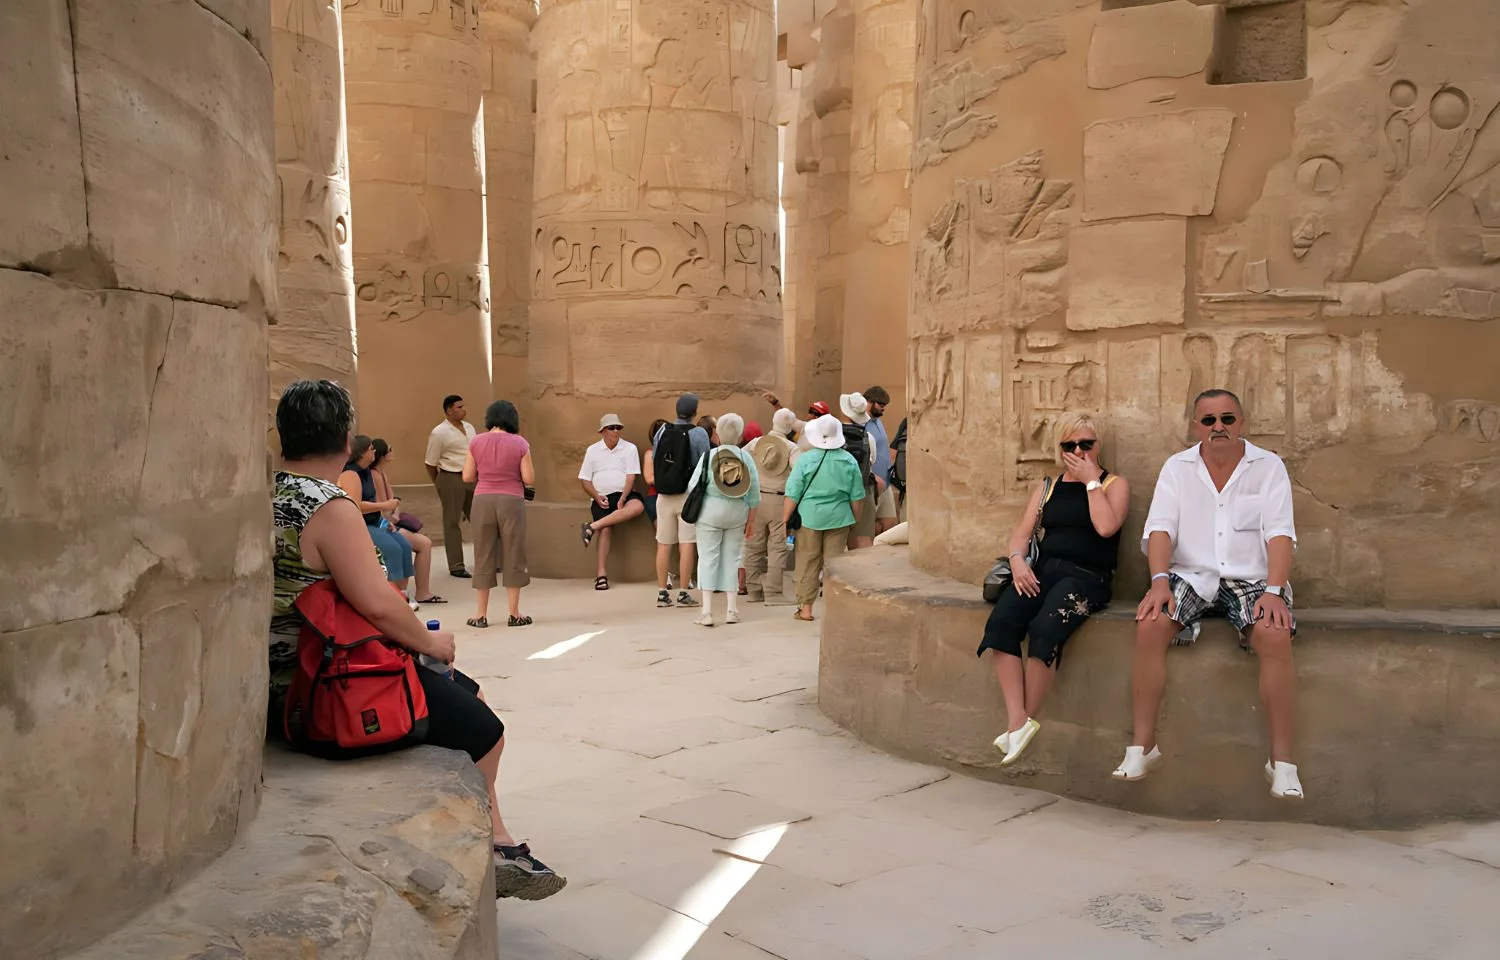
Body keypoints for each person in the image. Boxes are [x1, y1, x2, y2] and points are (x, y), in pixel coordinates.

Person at [270, 380, 564, 901]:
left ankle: (498, 838)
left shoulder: (274, 491)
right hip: (326, 678)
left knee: (467, 694)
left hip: (300, 664)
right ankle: (482, 844)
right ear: (345, 437)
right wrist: (431, 645)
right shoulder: (328, 505)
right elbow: (378, 602)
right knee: (485, 728)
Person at [1114, 389, 1303, 801]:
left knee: (1274, 632)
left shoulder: (1268, 467)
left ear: (1242, 423)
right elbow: (1161, 528)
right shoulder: (1177, 468)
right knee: (1151, 623)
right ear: (1195, 425)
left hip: (1250, 578)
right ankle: (1143, 747)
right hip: (1192, 574)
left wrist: (1273, 591)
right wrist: (1160, 581)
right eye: (1209, 420)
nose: (1219, 427)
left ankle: (1283, 763)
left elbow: (1280, 533)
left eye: (1228, 419)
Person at [977, 413, 1130, 765]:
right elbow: (1022, 532)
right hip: (1042, 570)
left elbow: (1106, 528)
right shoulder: (1047, 486)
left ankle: (1022, 724)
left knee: (1045, 630)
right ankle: (1018, 720)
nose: (1078, 451)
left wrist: (1091, 481)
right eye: (1070, 445)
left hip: (1087, 577)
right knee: (1001, 625)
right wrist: (1017, 561)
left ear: (1097, 446)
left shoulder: (1113, 485)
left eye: (1086, 444)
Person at [782, 415, 866, 623]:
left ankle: (806, 609)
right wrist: (855, 519)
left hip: (809, 518)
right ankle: (835, 608)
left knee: (807, 561)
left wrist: (784, 520)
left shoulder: (806, 459)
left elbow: (792, 493)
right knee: (835, 565)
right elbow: (857, 497)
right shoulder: (848, 460)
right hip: (840, 518)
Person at [463, 400, 534, 628]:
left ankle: (480, 615)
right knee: (513, 552)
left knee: (483, 553)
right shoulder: (520, 443)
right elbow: (529, 478)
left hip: (482, 499)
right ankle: (514, 613)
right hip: (511, 499)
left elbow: (467, 476)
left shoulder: (476, 442)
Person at [687, 414, 761, 627]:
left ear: (717, 433)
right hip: (737, 513)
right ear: (739, 436)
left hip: (710, 512)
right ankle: (731, 610)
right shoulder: (745, 458)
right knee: (732, 559)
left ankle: (707, 612)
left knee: (708, 558)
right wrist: (751, 520)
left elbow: (693, 486)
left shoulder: (709, 456)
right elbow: (754, 493)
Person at [338, 436, 417, 606]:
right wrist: (384, 505)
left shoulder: (367, 471)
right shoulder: (351, 473)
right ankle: (392, 597)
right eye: (371, 449)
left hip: (374, 521)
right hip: (359, 525)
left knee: (404, 545)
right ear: (361, 453)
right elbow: (355, 504)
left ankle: (403, 593)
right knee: (391, 549)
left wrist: (383, 520)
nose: (374, 451)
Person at [652, 393, 712, 608]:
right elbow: (704, 462)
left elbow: (655, 458)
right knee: (687, 544)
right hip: (687, 494)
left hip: (664, 495)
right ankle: (684, 592)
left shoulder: (662, 430)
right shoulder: (698, 433)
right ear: (694, 412)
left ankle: (661, 592)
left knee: (663, 543)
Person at [370, 439, 445, 606]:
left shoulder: (381, 472)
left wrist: (395, 511)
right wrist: (393, 515)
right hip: (384, 524)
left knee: (424, 543)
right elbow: (384, 505)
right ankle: (414, 592)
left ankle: (422, 591)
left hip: (390, 521)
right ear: (382, 455)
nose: (392, 451)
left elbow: (392, 501)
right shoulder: (375, 474)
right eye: (389, 449)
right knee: (420, 544)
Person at [578, 413, 645, 590]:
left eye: (618, 428)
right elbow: (585, 480)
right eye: (611, 428)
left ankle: (591, 527)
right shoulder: (592, 450)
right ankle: (601, 574)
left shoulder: (629, 449)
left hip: (623, 493)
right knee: (606, 529)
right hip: (602, 496)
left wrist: (623, 497)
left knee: (637, 506)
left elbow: (631, 476)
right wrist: (596, 496)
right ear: (602, 431)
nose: (615, 431)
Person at [742, 408, 798, 604]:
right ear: (790, 427)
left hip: (755, 499)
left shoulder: (756, 443)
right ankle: (773, 593)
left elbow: (740, 460)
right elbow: (799, 473)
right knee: (777, 546)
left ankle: (754, 590)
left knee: (753, 545)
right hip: (779, 500)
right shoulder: (791, 448)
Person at [425, 395, 478, 578]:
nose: (464, 409)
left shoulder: (470, 427)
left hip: (472, 477)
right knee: (452, 522)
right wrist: (440, 483)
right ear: (449, 410)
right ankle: (456, 565)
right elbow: (430, 463)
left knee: (480, 519)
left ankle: (489, 560)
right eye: (459, 407)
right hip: (450, 476)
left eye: (464, 406)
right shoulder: (439, 432)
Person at [838, 392, 878, 550]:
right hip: (862, 490)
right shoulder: (868, 438)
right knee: (863, 541)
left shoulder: (831, 435)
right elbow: (871, 461)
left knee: (835, 544)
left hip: (836, 493)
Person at [862, 386, 901, 536]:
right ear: (868, 402)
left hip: (886, 482)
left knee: (890, 524)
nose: (883, 409)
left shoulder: (878, 421)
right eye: (880, 405)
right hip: (871, 483)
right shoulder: (861, 423)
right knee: (871, 529)